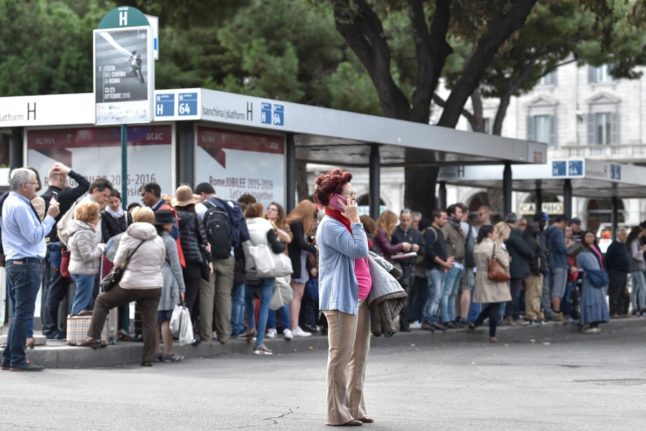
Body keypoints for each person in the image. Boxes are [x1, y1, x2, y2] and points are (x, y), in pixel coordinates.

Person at [313, 168, 371, 426]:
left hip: (360, 296)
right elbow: (358, 250)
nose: (354, 200)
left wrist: (354, 220)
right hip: (342, 299)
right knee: (340, 357)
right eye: (349, 195)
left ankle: (355, 407)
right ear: (335, 198)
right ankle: (336, 412)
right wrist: (357, 220)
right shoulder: (331, 225)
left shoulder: (344, 222)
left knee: (358, 356)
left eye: (354, 194)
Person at [80, 207, 164, 366]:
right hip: (154, 285)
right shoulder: (158, 239)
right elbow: (161, 261)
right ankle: (148, 359)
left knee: (102, 301)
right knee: (150, 322)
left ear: (134, 219)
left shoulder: (129, 236)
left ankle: (94, 337)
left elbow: (118, 261)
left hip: (131, 283)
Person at [1, 168, 60, 371]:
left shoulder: (12, 202)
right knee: (23, 314)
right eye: (34, 182)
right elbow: (34, 236)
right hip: (26, 263)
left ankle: (9, 358)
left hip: (18, 262)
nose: (37, 186)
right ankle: (17, 359)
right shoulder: (18, 205)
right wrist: (51, 217)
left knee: (19, 313)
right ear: (24, 186)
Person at [194, 182, 250, 345]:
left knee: (206, 294)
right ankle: (224, 335)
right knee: (225, 295)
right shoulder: (233, 206)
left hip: (208, 257)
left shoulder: (200, 208)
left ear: (203, 194)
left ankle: (206, 336)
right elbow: (243, 236)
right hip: (228, 256)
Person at [41, 163, 90, 340]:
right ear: (61, 179)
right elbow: (85, 185)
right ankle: (50, 329)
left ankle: (49, 327)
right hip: (58, 247)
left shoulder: (42, 197)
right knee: (55, 288)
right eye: (65, 178)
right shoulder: (63, 196)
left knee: (48, 288)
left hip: (45, 246)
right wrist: (69, 170)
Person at [240, 203, 285, 356]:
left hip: (249, 269)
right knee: (265, 305)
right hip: (266, 269)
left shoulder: (243, 225)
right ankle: (260, 342)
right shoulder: (265, 225)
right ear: (260, 212)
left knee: (248, 301)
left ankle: (250, 327)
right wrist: (280, 244)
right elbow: (276, 247)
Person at [172, 185, 211, 327]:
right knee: (191, 298)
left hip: (176, 261)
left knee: (177, 296)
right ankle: (185, 329)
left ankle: (174, 326)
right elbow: (204, 240)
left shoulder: (173, 217)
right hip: (193, 262)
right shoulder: (195, 217)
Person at [469, 223, 511, 343]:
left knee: (492, 304)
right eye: (495, 233)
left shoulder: (477, 246)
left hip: (482, 276)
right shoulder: (494, 246)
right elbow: (505, 262)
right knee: (496, 305)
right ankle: (492, 334)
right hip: (494, 276)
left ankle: (476, 322)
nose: (496, 235)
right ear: (489, 234)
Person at [153, 210, 186, 362]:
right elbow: (176, 265)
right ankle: (169, 351)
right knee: (166, 316)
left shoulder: (151, 239)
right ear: (165, 224)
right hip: (167, 277)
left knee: (155, 316)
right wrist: (182, 287)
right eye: (170, 222)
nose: (173, 225)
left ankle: (155, 350)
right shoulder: (169, 241)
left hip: (152, 276)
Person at [100, 190, 132, 340]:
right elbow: (107, 237)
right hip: (112, 258)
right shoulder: (104, 215)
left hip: (126, 258)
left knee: (125, 291)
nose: (113, 205)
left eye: (116, 202)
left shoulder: (126, 215)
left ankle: (123, 328)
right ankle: (112, 328)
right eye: (111, 202)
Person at [286, 200, 319, 337]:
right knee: (296, 296)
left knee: (296, 296)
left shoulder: (294, 223)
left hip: (300, 262)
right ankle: (294, 326)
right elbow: (300, 243)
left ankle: (294, 325)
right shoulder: (297, 223)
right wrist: (316, 248)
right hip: (297, 263)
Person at [68, 202, 105, 315]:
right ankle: (75, 329)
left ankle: (81, 329)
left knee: (85, 301)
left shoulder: (83, 230)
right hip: (84, 270)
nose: (99, 217)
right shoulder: (83, 233)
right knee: (82, 302)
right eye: (97, 214)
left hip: (83, 269)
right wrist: (100, 247)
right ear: (91, 217)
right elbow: (87, 256)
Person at [391, 208, 424, 331]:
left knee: (408, 296)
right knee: (397, 296)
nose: (405, 222)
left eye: (408, 220)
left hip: (411, 267)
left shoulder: (416, 234)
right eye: (403, 220)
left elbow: (423, 249)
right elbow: (389, 248)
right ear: (400, 220)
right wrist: (399, 248)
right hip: (398, 266)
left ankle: (405, 323)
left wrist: (418, 248)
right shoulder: (395, 232)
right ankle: (397, 322)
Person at [265, 201, 294, 340]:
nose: (270, 212)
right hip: (268, 264)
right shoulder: (263, 224)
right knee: (270, 297)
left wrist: (275, 228)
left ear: (278, 212)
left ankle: (287, 327)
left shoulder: (284, 226)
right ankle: (271, 328)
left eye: (273, 209)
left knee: (282, 296)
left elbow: (288, 239)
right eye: (269, 209)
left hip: (282, 266)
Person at [421, 209, 453, 331]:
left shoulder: (438, 232)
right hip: (434, 269)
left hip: (440, 268)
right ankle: (427, 319)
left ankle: (432, 319)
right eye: (443, 218)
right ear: (436, 218)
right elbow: (429, 252)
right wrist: (443, 263)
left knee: (437, 295)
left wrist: (447, 260)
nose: (446, 221)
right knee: (435, 295)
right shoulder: (430, 232)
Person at [503, 213, 533, 325]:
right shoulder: (513, 232)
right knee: (514, 292)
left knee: (513, 292)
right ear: (516, 222)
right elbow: (524, 248)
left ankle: (514, 315)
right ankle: (510, 315)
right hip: (516, 266)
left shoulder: (503, 231)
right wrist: (531, 254)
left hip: (508, 265)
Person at [577, 230, 609, 333]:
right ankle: (591, 322)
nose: (590, 238)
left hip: (597, 276)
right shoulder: (583, 250)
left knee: (596, 299)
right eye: (588, 236)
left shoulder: (596, 248)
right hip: (590, 277)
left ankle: (594, 322)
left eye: (592, 236)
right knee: (590, 298)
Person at [440, 204, 466, 328]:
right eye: (459, 212)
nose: (461, 214)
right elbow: (441, 242)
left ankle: (451, 316)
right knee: (447, 292)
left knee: (453, 293)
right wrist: (446, 259)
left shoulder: (456, 227)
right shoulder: (448, 227)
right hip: (452, 263)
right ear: (452, 214)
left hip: (459, 263)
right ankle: (446, 318)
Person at [544, 215, 568, 321]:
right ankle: (556, 311)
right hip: (559, 262)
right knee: (558, 288)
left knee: (549, 287)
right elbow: (561, 248)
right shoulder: (558, 231)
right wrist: (568, 246)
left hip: (549, 262)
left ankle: (548, 310)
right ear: (562, 222)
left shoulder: (546, 231)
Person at [523, 221, 546, 324]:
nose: (537, 230)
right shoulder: (531, 241)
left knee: (534, 293)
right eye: (535, 228)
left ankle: (534, 313)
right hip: (534, 271)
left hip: (532, 270)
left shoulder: (529, 240)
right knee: (534, 293)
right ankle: (532, 314)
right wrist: (536, 269)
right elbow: (532, 257)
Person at [605, 227, 630, 318]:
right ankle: (613, 311)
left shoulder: (623, 245)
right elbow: (607, 259)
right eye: (623, 235)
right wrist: (611, 270)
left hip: (623, 272)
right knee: (615, 292)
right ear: (618, 235)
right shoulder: (613, 246)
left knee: (621, 293)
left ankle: (619, 311)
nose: (625, 237)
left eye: (625, 235)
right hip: (616, 272)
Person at [625, 226, 646, 316]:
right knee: (643, 287)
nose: (642, 234)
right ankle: (642, 307)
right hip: (637, 267)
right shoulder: (635, 242)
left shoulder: (631, 241)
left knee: (635, 288)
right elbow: (635, 254)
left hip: (633, 267)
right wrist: (642, 250)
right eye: (641, 233)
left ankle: (635, 307)